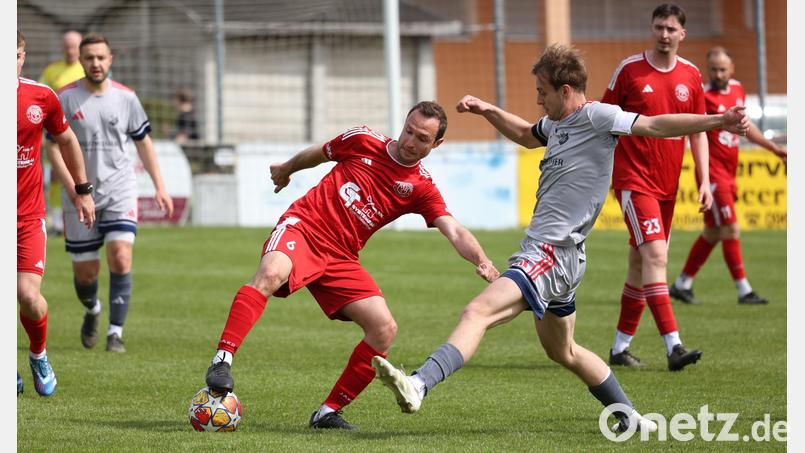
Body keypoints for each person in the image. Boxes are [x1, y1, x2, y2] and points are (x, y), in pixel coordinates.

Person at [371, 43, 748, 433]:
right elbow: (525, 134)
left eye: (542, 92)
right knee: (563, 350)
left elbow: (655, 125)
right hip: (561, 257)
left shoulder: (599, 117)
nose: (537, 99)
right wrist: (488, 110)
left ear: (565, 90)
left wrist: (717, 121)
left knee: (476, 313)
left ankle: (419, 383)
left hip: (551, 252)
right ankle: (630, 416)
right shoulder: (554, 125)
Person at [202, 101, 500, 430]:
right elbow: (319, 152)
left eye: (422, 139)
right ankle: (222, 360)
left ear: (437, 144)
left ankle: (328, 412)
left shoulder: (420, 187)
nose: (410, 142)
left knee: (384, 329)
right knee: (270, 274)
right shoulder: (363, 139)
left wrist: (482, 260)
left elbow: (453, 229)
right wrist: (287, 168)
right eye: (409, 131)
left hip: (342, 256)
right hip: (304, 228)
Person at [601, 3, 710, 370]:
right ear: (652, 29)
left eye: (671, 29)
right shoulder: (629, 70)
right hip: (634, 180)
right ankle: (674, 346)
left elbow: (699, 131)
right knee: (657, 258)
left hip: (668, 185)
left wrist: (704, 180)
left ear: (683, 34)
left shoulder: (692, 76)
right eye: (659, 27)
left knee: (639, 262)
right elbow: (604, 118)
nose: (664, 34)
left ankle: (619, 349)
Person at [55, 33, 174, 353]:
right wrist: (76, 190)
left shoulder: (126, 98)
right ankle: (92, 310)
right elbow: (52, 148)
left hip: (120, 189)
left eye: (101, 57)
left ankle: (115, 333)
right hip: (80, 196)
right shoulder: (64, 98)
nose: (95, 63)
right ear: (80, 61)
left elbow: (143, 143)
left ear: (111, 60)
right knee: (86, 273)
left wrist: (160, 187)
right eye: (89, 57)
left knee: (121, 257)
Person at [669, 47, 787, 305]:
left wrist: (774, 148)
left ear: (731, 69)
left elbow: (746, 128)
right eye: (714, 69)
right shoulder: (703, 94)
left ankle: (681, 284)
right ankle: (744, 290)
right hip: (714, 175)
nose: (718, 74)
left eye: (723, 69)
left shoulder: (737, 89)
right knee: (731, 228)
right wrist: (703, 178)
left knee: (713, 232)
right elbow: (695, 132)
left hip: (729, 173)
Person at [17, 29, 95, 396]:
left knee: (28, 297)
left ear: (21, 55)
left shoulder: (40, 96)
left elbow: (66, 141)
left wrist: (82, 191)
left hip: (27, 217)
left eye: (12, 54)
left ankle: (38, 354)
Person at [40, 30, 85, 236]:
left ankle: (86, 210)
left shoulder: (87, 68)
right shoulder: (51, 71)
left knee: (82, 172)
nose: (70, 51)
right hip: (56, 131)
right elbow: (39, 96)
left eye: (74, 47)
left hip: (82, 132)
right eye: (67, 47)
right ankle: (58, 219)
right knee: (57, 174)